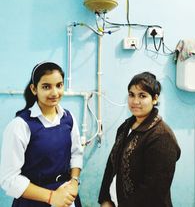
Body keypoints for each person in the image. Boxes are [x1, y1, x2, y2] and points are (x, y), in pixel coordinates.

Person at [0, 61, 83, 207]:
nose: (54, 93)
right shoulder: (20, 125)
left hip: (66, 198)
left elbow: (76, 153)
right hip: (32, 201)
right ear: (34, 89)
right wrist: (52, 197)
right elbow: (8, 178)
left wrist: (74, 182)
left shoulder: (68, 119)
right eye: (46, 87)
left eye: (59, 85)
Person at [98, 72, 181, 207]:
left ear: (154, 99)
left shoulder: (162, 137)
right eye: (131, 95)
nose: (135, 101)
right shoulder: (125, 127)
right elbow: (112, 165)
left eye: (142, 96)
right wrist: (105, 199)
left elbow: (153, 191)